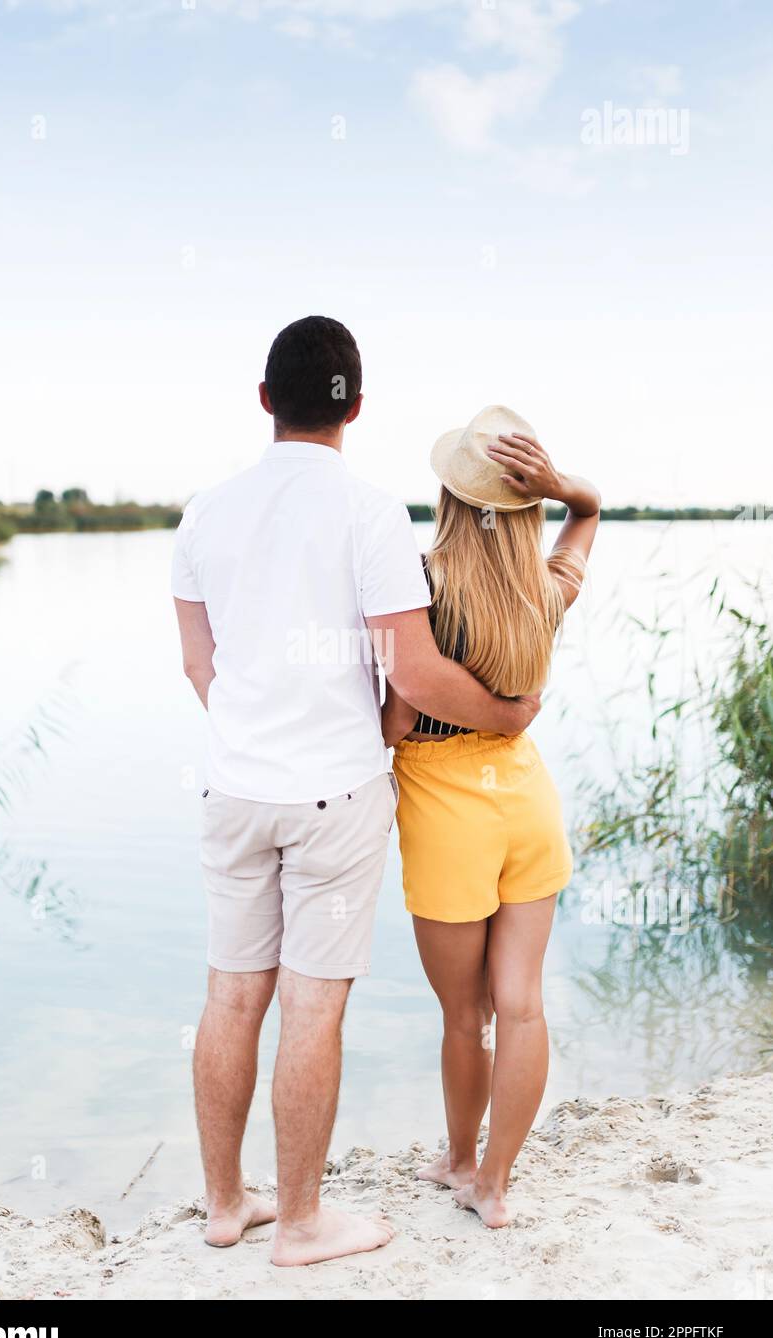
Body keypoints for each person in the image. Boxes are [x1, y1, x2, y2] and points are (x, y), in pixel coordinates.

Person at [172, 321, 541, 1266]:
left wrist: (255, 733)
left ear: (264, 399)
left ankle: (225, 1206)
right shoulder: (372, 515)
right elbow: (411, 675)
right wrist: (503, 716)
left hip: (231, 789)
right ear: (357, 406)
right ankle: (299, 1223)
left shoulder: (203, 513)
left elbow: (198, 664)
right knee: (312, 1007)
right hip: (335, 796)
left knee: (229, 995)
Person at [382, 404, 600, 1229]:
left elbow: (397, 719)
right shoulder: (545, 590)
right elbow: (589, 510)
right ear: (528, 503)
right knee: (523, 1004)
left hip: (447, 814)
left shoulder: (422, 583)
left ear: (448, 498)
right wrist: (562, 486)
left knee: (464, 1015)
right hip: (528, 804)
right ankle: (497, 1186)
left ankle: (459, 1158)